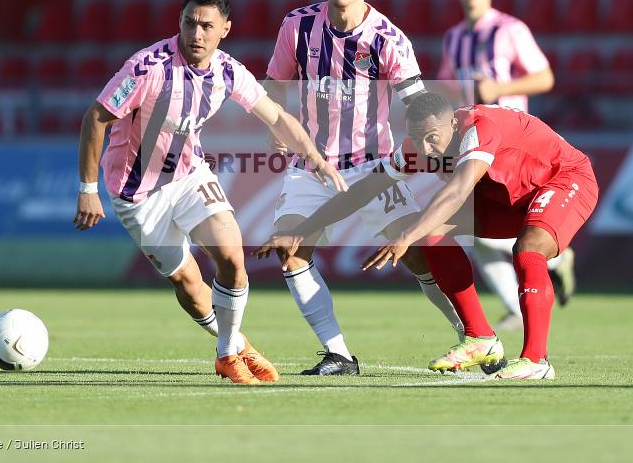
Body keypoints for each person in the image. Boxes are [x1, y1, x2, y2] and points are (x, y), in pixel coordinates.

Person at [74, 0, 347, 384]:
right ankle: (240, 346)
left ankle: (225, 355)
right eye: (189, 23)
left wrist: (315, 156)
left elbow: (277, 117)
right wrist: (87, 189)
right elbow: (96, 118)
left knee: (232, 257)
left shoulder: (228, 71)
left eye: (206, 26)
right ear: (179, 24)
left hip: (189, 177)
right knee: (188, 283)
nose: (196, 34)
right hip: (137, 195)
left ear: (225, 30)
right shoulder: (146, 67)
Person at [255, 92, 599, 380]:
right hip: (504, 197)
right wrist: (300, 230)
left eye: (432, 137)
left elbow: (458, 192)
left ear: (452, 124)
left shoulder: (478, 130)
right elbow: (362, 191)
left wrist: (405, 233)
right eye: (418, 138)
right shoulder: (417, 146)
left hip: (564, 179)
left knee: (528, 249)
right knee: (432, 232)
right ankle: (481, 338)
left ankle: (537, 360)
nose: (426, 148)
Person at [262, 0, 466, 375]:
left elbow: (419, 106)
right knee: (291, 250)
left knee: (414, 254)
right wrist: (276, 125)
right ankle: (339, 354)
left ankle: (471, 336)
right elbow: (274, 84)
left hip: (372, 166)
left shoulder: (388, 39)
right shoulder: (296, 27)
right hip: (311, 166)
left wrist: (439, 152)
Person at [436, 0, 575, 331]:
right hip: (471, 140)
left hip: (511, 144)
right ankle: (521, 302)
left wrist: (502, 88)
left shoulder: (510, 30)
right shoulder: (453, 38)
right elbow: (445, 84)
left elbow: (544, 77)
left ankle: (555, 260)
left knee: (496, 223)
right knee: (476, 226)